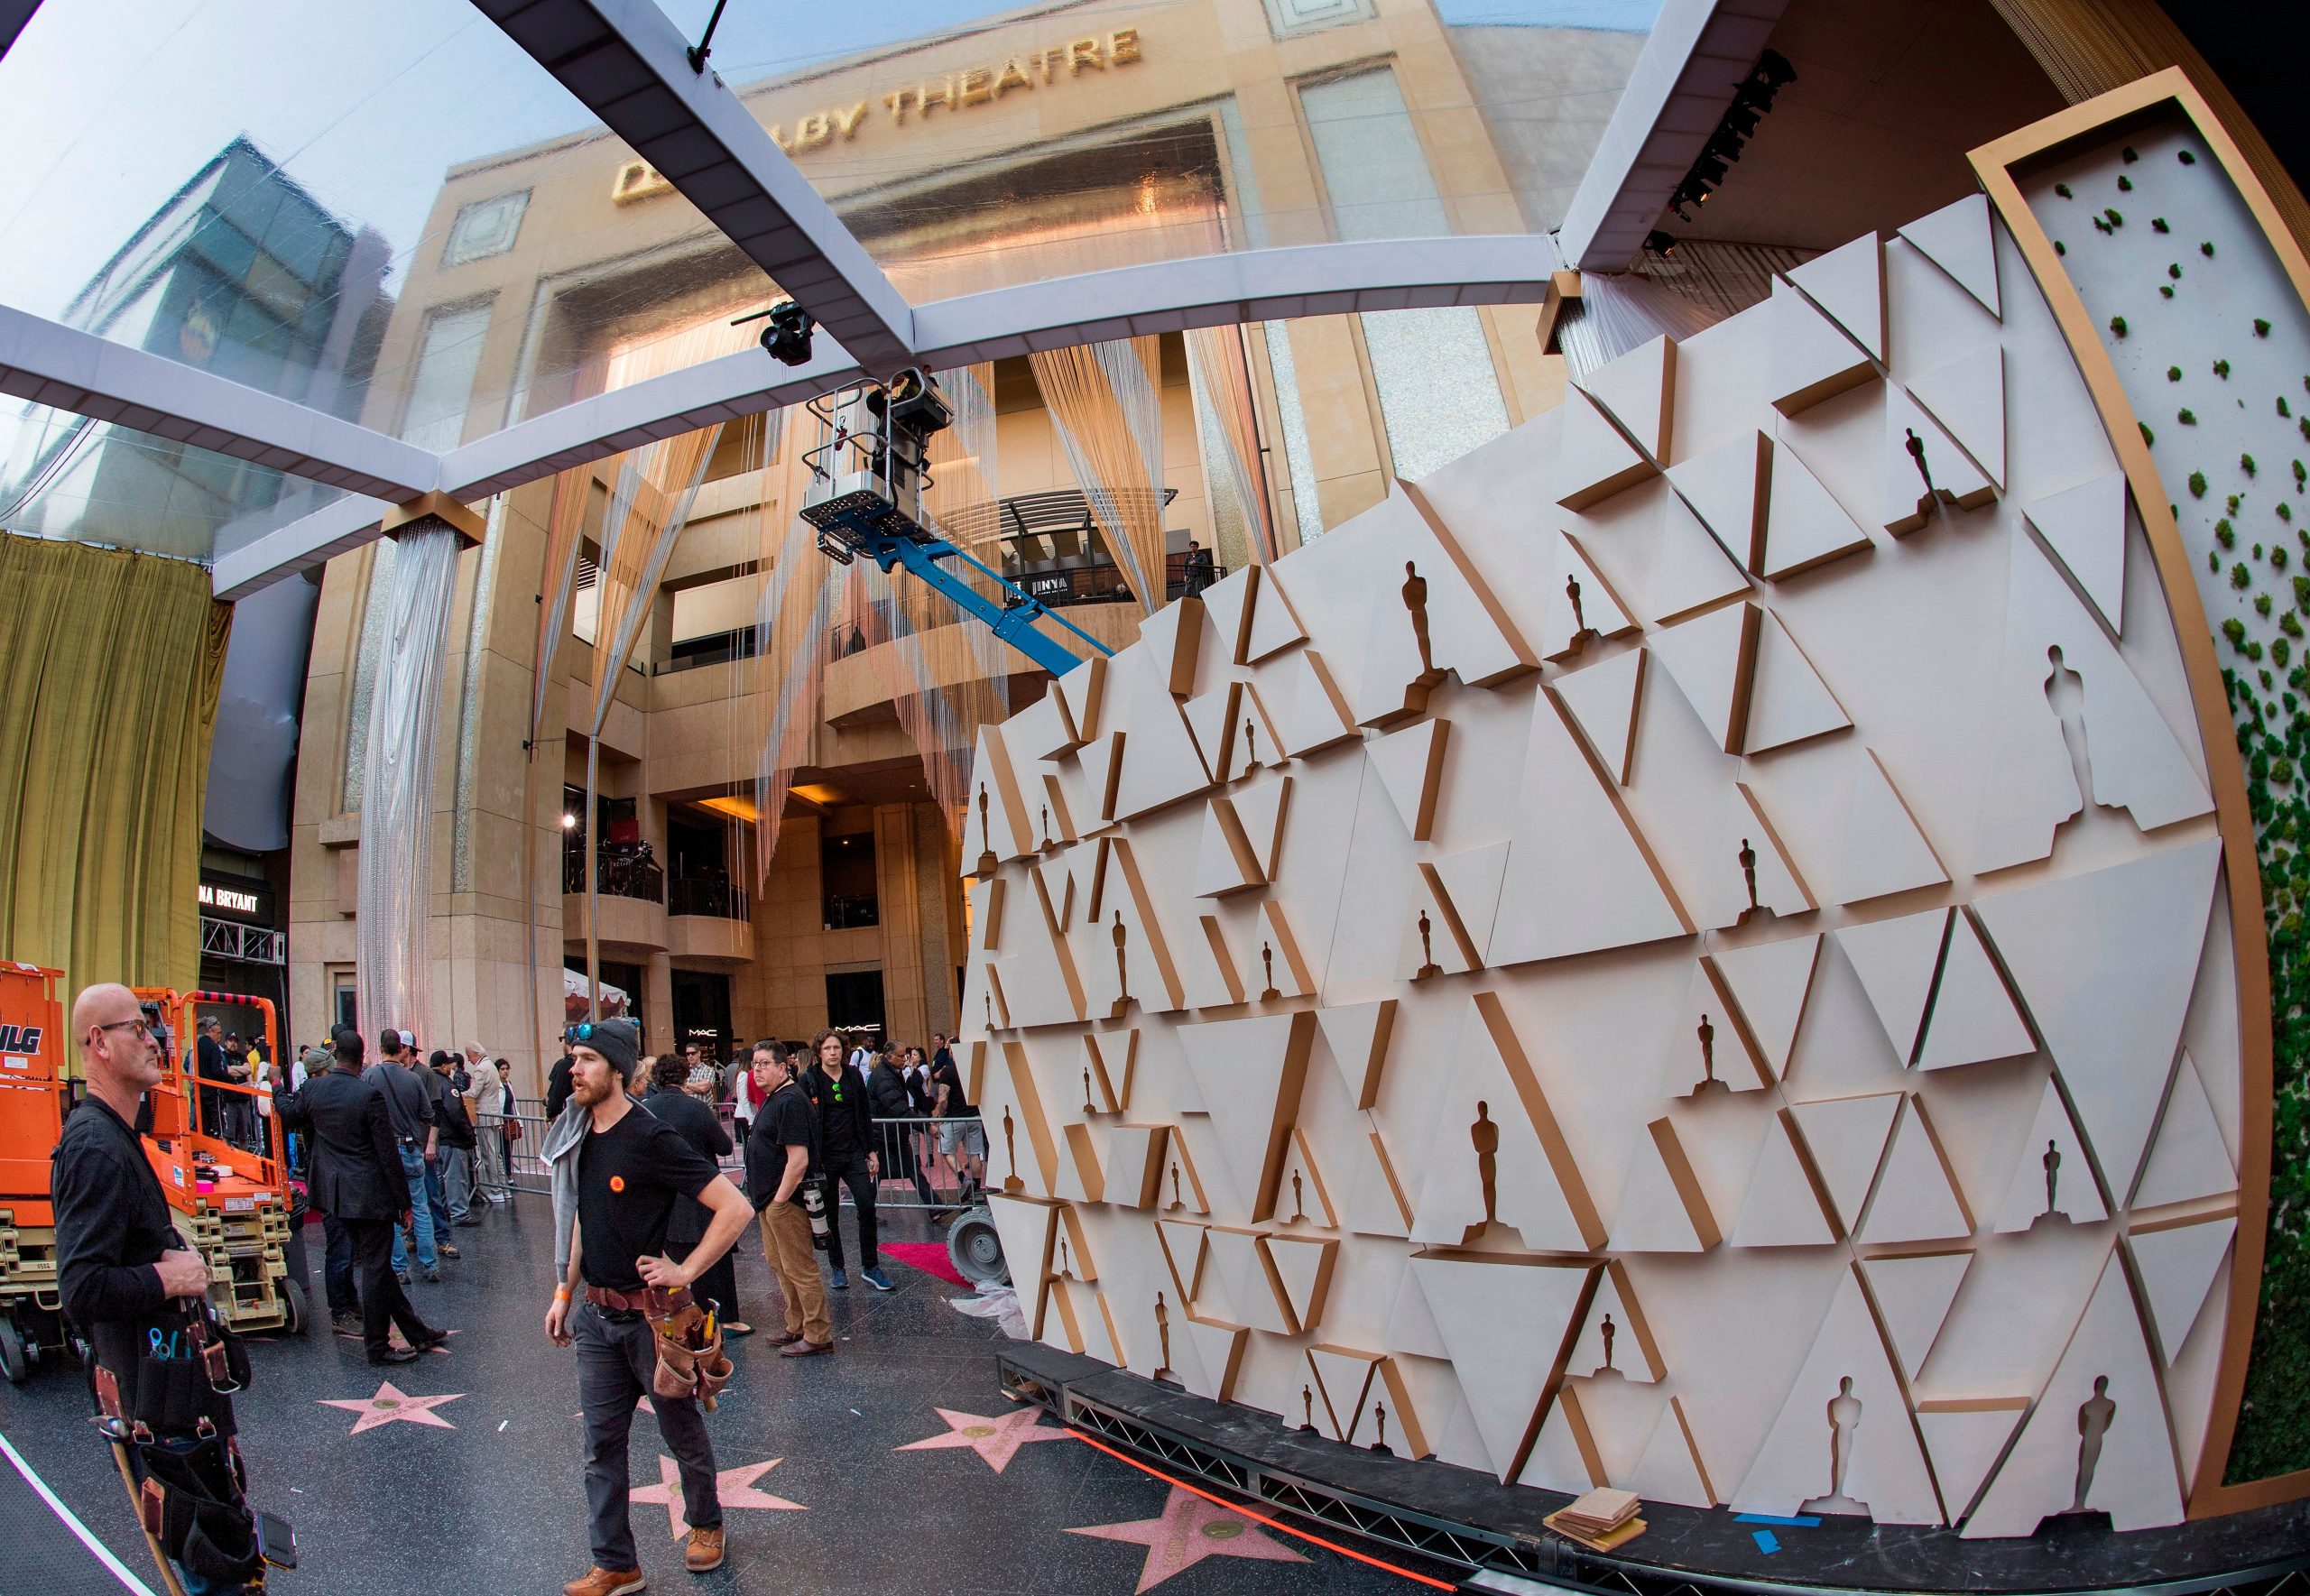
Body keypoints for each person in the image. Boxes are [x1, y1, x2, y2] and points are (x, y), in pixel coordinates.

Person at [542, 1019, 752, 1592]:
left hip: (653, 1322)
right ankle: (616, 1562)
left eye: (586, 1060)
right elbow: (585, 1219)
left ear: (617, 1071)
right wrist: (565, 1291)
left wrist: (684, 1269)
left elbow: (735, 1208)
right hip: (595, 1318)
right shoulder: (579, 1132)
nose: (574, 1070)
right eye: (573, 1058)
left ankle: (707, 1525)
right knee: (600, 1448)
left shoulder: (650, 1136)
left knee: (682, 1431)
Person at [274, 1029, 446, 1365]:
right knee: (376, 1267)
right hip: (370, 1196)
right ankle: (378, 1347)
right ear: (362, 1056)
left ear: (336, 1053)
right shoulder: (367, 1096)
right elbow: (387, 1155)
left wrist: (277, 1086)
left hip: (335, 1195)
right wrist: (405, 1204)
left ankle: (417, 1333)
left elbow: (289, 1113)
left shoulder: (314, 1088)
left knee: (376, 1263)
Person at [640, 1055, 749, 1338]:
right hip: (701, 1196)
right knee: (716, 1260)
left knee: (672, 1263)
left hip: (661, 1200)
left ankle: (679, 1319)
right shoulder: (695, 1108)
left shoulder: (644, 1110)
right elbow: (724, 1146)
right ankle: (725, 1319)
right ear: (684, 1077)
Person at [744, 1040, 831, 1357]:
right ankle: (796, 1325)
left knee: (800, 1268)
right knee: (781, 1265)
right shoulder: (774, 1098)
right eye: (755, 1064)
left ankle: (817, 1334)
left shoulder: (791, 1100)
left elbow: (799, 1160)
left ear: (783, 1068)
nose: (757, 1070)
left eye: (765, 1064)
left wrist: (779, 1201)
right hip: (769, 1201)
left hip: (786, 1202)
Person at [799, 1029, 892, 1291]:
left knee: (867, 1205)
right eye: (827, 1048)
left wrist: (871, 1151)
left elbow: (864, 1113)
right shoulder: (810, 1079)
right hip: (825, 1157)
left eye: (837, 1048)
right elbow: (804, 1118)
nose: (832, 1053)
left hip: (853, 1152)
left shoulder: (853, 1075)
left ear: (844, 1051)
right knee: (830, 1214)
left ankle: (870, 1266)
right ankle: (837, 1267)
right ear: (819, 1052)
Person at [372, 1029, 442, 1283]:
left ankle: (400, 1268)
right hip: (412, 1147)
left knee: (392, 1209)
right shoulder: (413, 1079)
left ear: (381, 1048)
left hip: (386, 1150)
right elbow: (428, 1114)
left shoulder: (370, 1077)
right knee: (420, 1206)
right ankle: (430, 1264)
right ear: (401, 1049)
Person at [868, 1044, 934, 1204]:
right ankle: (866, 1208)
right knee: (884, 1171)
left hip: (891, 1131)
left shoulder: (889, 1073)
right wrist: (925, 1126)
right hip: (885, 1132)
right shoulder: (884, 1076)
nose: (905, 1059)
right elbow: (898, 1107)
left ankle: (934, 1204)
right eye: (901, 1056)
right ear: (890, 1057)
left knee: (908, 1169)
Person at [428, 1050, 480, 1229]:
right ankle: (460, 1213)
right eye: (448, 1064)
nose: (451, 1067)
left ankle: (444, 1211)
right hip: (452, 1138)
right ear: (443, 1066)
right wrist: (468, 1134)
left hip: (438, 1138)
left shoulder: (428, 1081)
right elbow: (455, 1112)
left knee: (441, 1178)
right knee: (455, 1177)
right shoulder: (447, 1085)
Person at [929, 1038, 986, 1202]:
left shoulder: (948, 1071)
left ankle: (964, 1179)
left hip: (954, 1117)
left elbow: (942, 1099)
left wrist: (940, 1115)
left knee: (947, 1151)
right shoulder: (972, 1069)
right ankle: (976, 1189)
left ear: (953, 1052)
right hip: (974, 1115)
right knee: (974, 1154)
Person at [463, 1043, 507, 1204]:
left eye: (469, 1055)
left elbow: (474, 1092)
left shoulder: (481, 1068)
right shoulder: (490, 1066)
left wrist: (458, 1094)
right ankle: (503, 1187)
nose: (468, 1059)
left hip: (485, 1117)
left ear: (475, 1054)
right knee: (496, 1154)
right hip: (494, 1114)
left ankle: (496, 1189)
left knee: (489, 1154)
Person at [193, 1014, 233, 1140]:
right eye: (218, 1033)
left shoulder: (197, 1044)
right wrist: (230, 1080)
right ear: (211, 1030)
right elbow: (217, 1071)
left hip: (199, 1089)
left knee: (203, 1124)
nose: (219, 1036)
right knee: (217, 1124)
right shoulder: (213, 1047)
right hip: (212, 1090)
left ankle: (205, 1146)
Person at [546, 1049, 578, 1120]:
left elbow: (555, 1094)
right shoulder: (562, 1064)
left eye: (588, 1059)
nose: (575, 1070)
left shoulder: (563, 1065)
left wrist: (550, 1114)